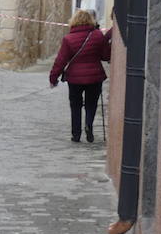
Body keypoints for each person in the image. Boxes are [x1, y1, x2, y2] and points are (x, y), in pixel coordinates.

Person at [48, 8, 113, 142]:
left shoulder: (68, 39)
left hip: (74, 78)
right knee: (91, 104)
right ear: (91, 21)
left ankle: (76, 134)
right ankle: (88, 125)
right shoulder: (98, 35)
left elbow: (61, 60)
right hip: (95, 76)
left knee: (75, 105)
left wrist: (53, 78)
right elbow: (105, 55)